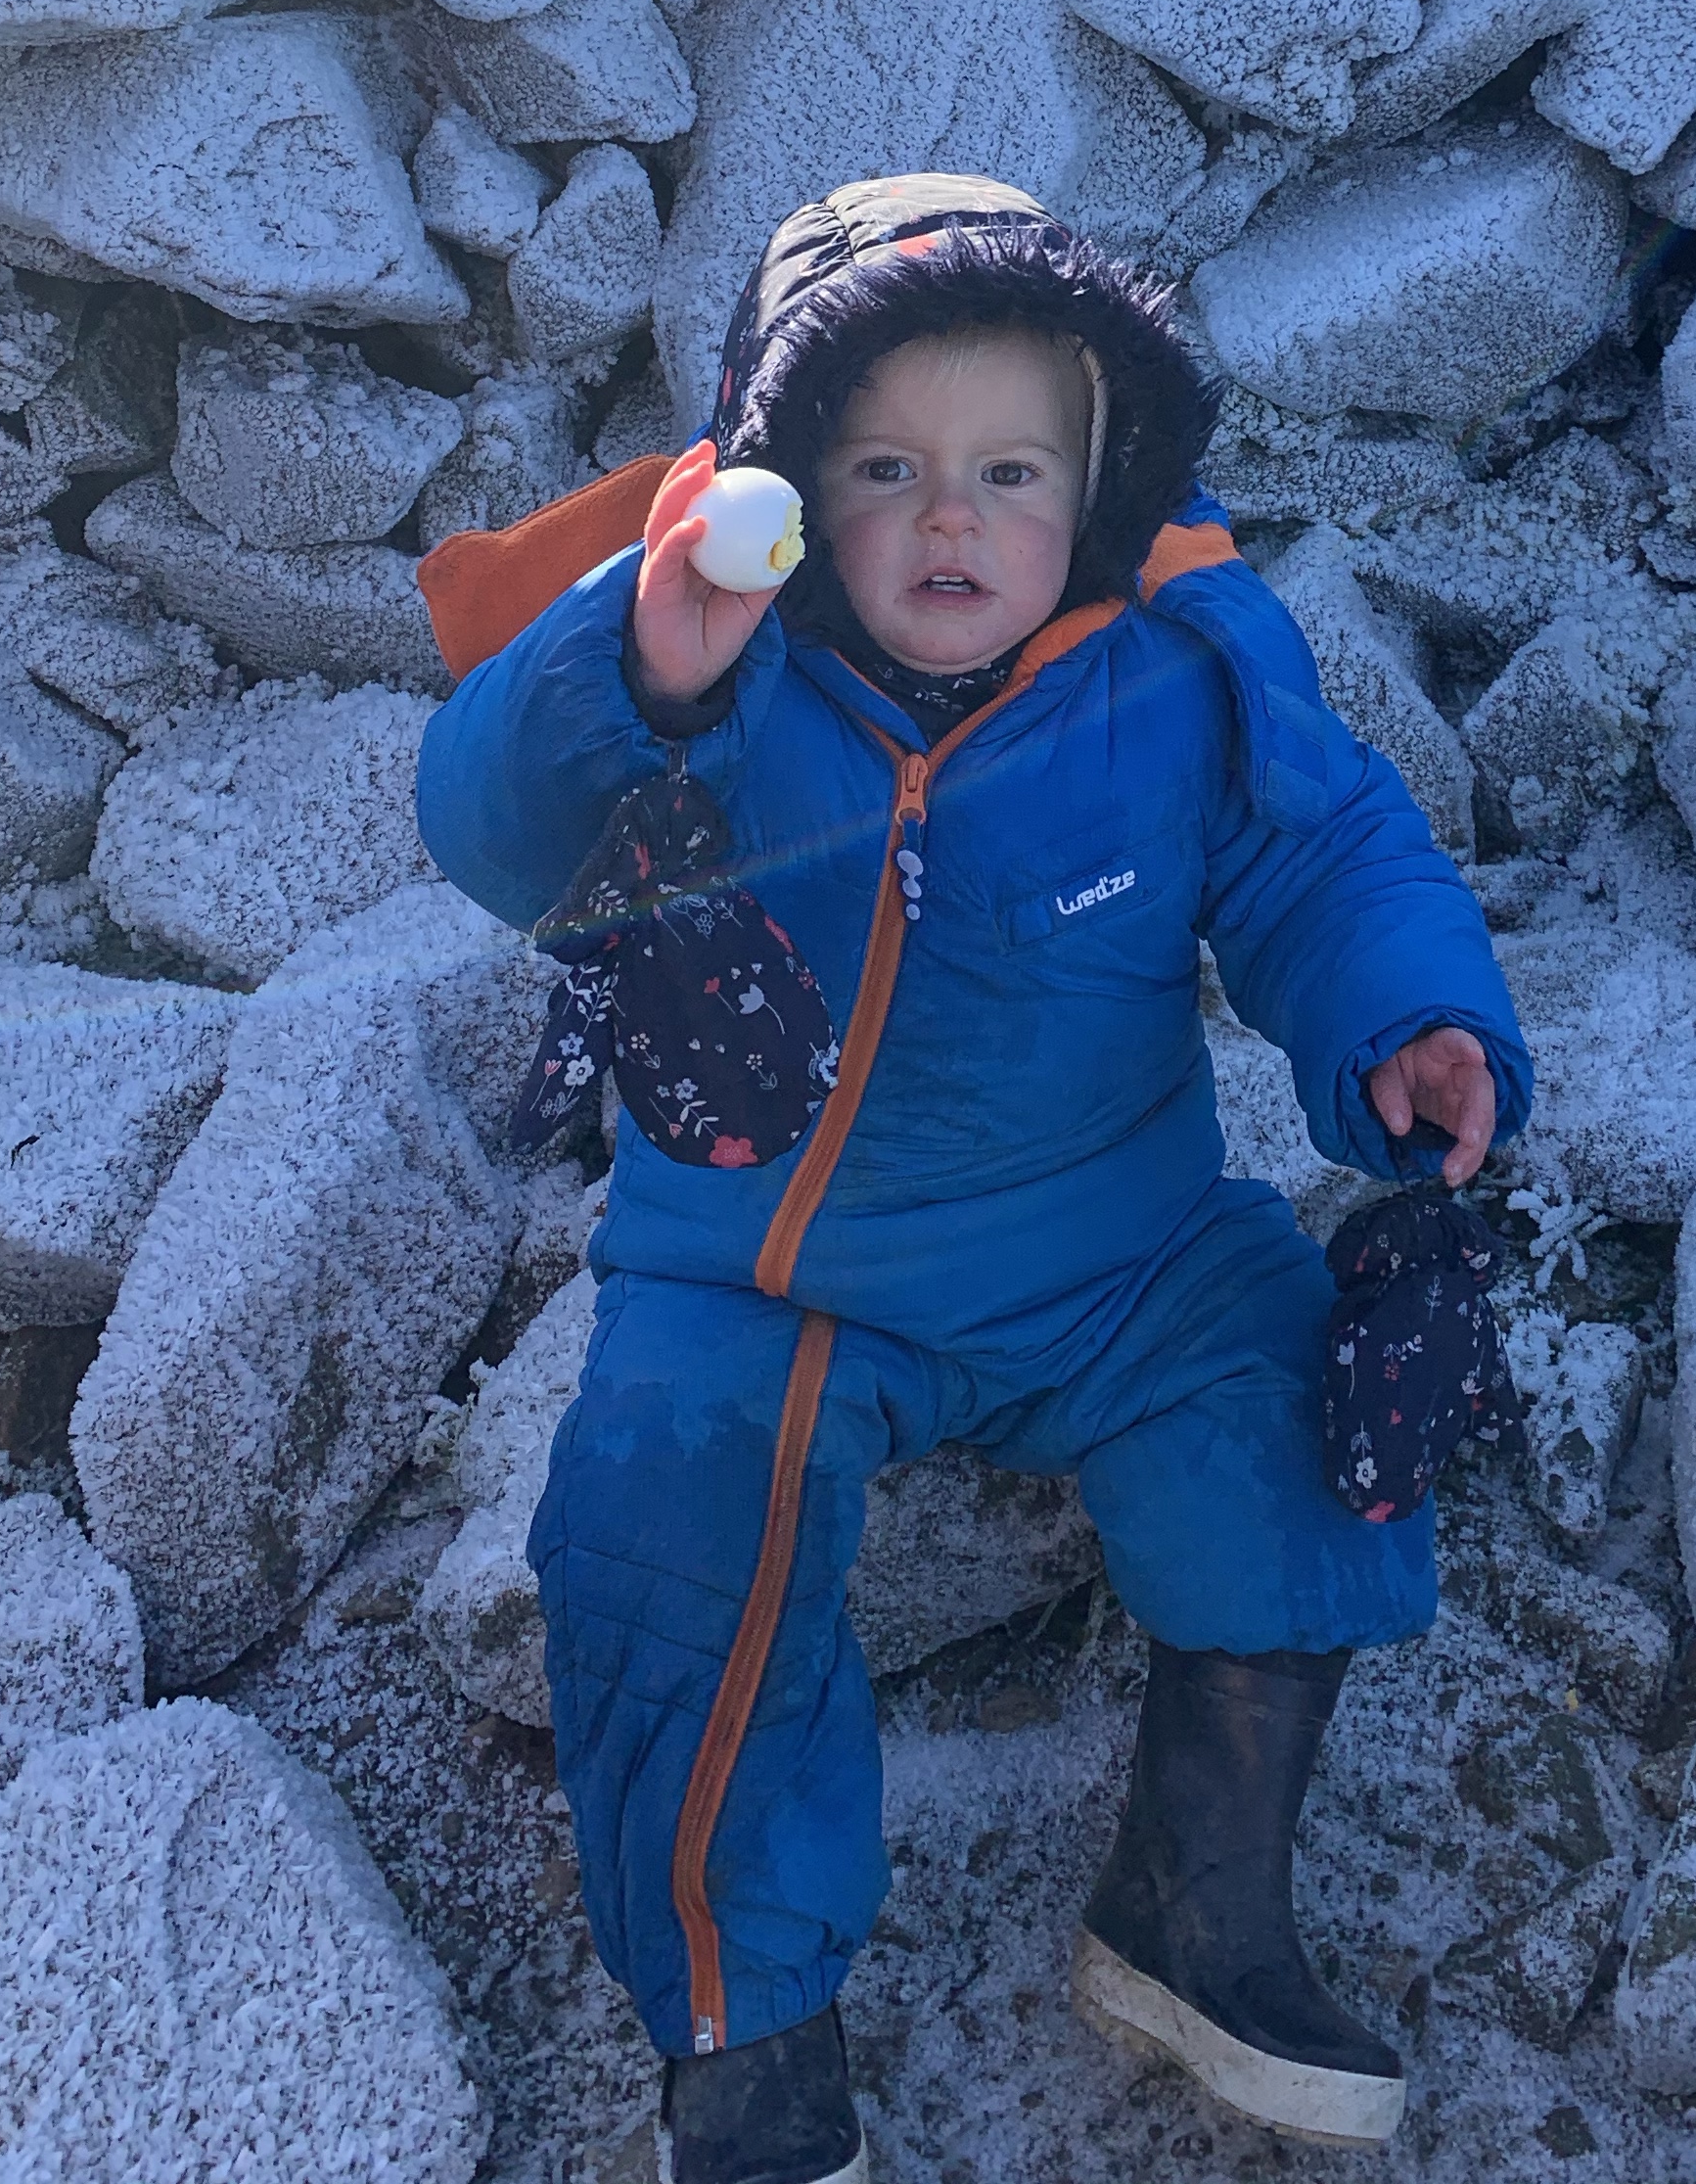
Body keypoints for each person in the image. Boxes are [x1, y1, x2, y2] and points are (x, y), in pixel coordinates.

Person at [416, 172, 1532, 2184]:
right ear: (778, 486)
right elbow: (495, 827)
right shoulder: (713, 664)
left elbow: (1328, 859)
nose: (953, 522)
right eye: (885, 471)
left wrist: (1410, 1027)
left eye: (1011, 472)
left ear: (1097, 486)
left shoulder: (1182, 663)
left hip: (1119, 1252)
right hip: (773, 1275)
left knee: (1302, 1407)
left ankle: (1195, 1899)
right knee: (663, 1535)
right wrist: (643, 670)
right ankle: (749, 2035)